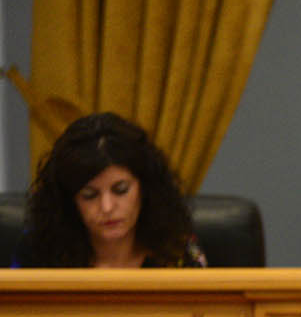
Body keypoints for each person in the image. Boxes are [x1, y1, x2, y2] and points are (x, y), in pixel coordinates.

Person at [16, 111, 205, 268]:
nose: (107, 207)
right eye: (90, 195)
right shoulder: (40, 253)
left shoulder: (176, 251)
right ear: (69, 200)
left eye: (121, 190)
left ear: (145, 189)